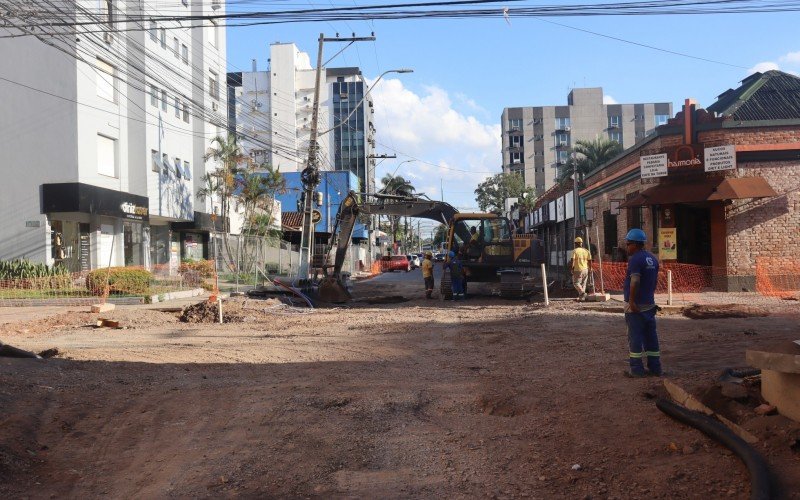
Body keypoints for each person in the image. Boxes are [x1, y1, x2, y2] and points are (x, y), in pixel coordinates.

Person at [623, 228, 662, 378]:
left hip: (636, 306)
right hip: (649, 305)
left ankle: (637, 370)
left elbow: (635, 280)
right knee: (651, 337)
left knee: (635, 337)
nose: (627, 247)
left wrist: (632, 301)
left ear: (635, 244)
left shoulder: (635, 259)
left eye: (628, 244)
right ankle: (655, 368)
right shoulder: (652, 258)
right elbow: (653, 282)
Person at [571, 236, 591, 301]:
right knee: (583, 284)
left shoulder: (575, 251)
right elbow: (590, 260)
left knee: (576, 283)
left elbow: (572, 260)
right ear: (581, 243)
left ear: (575, 243)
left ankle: (583, 293)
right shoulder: (586, 251)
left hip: (578, 269)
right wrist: (590, 268)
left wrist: (571, 268)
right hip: (586, 269)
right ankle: (582, 298)